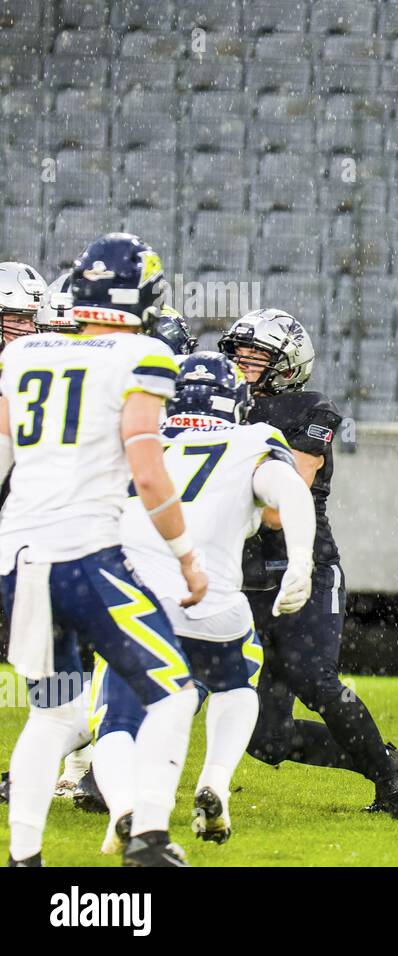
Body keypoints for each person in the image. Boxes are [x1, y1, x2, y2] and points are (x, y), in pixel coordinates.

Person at [1, 232, 206, 866]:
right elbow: (147, 470)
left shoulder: (25, 352)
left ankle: (25, 858)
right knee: (174, 691)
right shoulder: (143, 354)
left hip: (18, 558)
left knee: (54, 717)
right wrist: (186, 556)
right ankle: (147, 836)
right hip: (85, 557)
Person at [80, 350, 317, 852]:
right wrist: (301, 562)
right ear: (235, 402)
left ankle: (126, 809)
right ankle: (214, 781)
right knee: (236, 685)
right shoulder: (251, 439)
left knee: (118, 720)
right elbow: (289, 490)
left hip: (137, 602)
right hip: (215, 605)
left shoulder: (139, 439)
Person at [219, 309, 398, 820]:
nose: (242, 364)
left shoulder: (310, 410)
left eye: (256, 356)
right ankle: (389, 761)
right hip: (237, 579)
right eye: (238, 354)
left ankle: (395, 791)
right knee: (267, 740)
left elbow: (274, 513)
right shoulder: (218, 405)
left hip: (302, 569)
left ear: (287, 365)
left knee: (314, 679)